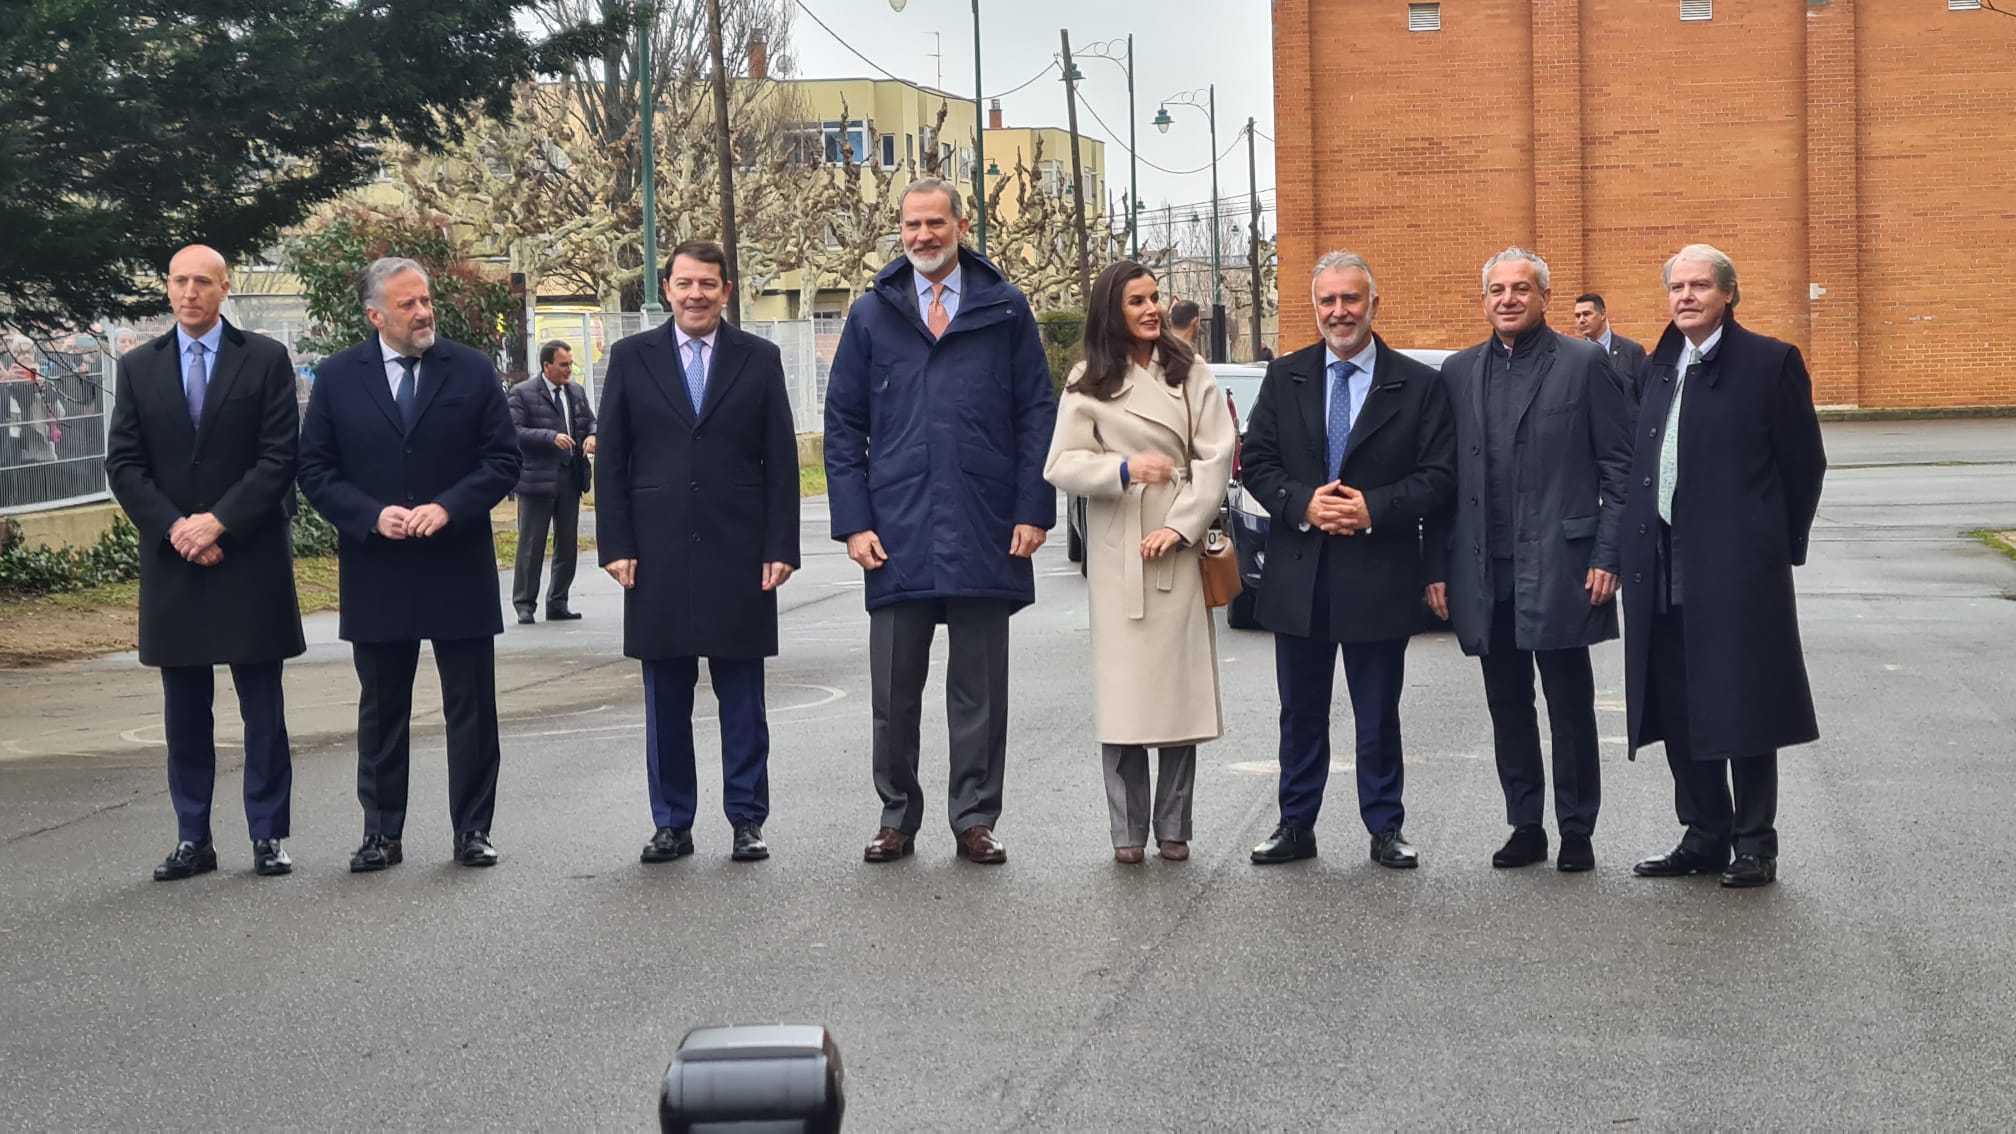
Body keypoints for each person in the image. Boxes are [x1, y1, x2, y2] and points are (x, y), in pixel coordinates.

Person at [824, 177, 1057, 866]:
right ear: (900, 231)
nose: (923, 236)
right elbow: (843, 426)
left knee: (979, 691)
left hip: (985, 522)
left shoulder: (1005, 309)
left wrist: (1032, 509)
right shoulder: (871, 315)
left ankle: (974, 819)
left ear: (962, 225)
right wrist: (854, 523)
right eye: (911, 225)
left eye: (935, 223)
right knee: (894, 694)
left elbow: (1036, 414)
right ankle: (896, 816)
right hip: (896, 528)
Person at [297, 257, 520, 872]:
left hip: (458, 565)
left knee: (471, 708)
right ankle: (381, 833)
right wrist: (371, 516)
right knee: (382, 709)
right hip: (379, 568)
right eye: (407, 304)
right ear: (375, 315)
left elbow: (502, 462)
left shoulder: (472, 371)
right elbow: (314, 469)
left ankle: (473, 830)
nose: (423, 312)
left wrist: (450, 508)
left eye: (425, 300)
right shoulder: (340, 378)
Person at [1238, 251, 1456, 868]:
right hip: (1299, 571)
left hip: (1378, 571)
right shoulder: (1286, 376)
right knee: (1300, 711)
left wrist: (1373, 509)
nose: (1340, 312)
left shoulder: (1418, 384)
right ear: (1315, 308)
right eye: (1327, 301)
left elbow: (1439, 476)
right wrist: (1304, 502)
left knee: (1377, 712)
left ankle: (1385, 826)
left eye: (1351, 300)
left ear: (1373, 305)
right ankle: (1295, 823)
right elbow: (1256, 461)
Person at [1424, 249, 1635, 873]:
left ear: (1545, 296)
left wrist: (1609, 553)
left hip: (1564, 564)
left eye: (1521, 288)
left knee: (1570, 705)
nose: (1508, 299)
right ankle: (1525, 824)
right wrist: (1437, 567)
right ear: (1483, 300)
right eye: (1496, 289)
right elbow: (1440, 481)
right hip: (1486, 570)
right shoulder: (1458, 373)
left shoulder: (1583, 365)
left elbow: (1620, 471)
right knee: (1506, 703)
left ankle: (1576, 829)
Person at [1622, 244, 1826, 890]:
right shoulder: (1658, 367)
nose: (1685, 296)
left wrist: (1774, 545)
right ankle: (1704, 832)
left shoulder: (1770, 364)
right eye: (1676, 286)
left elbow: (1805, 465)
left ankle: (1754, 843)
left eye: (1700, 286)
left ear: (1728, 295)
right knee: (1678, 703)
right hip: (1661, 563)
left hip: (1739, 570)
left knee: (1743, 703)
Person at [103, 244, 305, 881]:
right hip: (175, 561)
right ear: (167, 288)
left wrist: (219, 522)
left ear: (224, 290)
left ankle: (268, 835)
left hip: (248, 553)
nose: (189, 293)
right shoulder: (137, 367)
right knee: (184, 708)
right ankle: (194, 837)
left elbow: (278, 457)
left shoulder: (266, 359)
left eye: (202, 283)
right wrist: (176, 529)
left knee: (262, 707)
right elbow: (125, 464)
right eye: (179, 281)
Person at [596, 241, 801, 864]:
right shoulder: (632, 357)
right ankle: (672, 822)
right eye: (684, 283)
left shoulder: (759, 359)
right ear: (667, 287)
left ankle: (746, 818)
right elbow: (612, 459)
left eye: (707, 284)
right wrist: (616, 543)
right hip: (655, 553)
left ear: (726, 290)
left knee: (742, 697)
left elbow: (782, 461)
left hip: (739, 550)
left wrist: (780, 545)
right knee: (665, 699)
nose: (695, 295)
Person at [1043, 262, 1236, 864]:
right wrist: (1123, 470)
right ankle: (1127, 833)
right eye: (1137, 301)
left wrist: (1180, 525)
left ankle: (1174, 827)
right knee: (1125, 697)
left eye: (1155, 298)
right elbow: (1061, 464)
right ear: (1112, 310)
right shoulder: (1089, 379)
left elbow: (1216, 457)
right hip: (1119, 545)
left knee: (1179, 692)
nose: (1152, 309)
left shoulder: (1190, 372)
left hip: (1177, 540)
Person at [508, 340, 597, 623]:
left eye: (570, 364)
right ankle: (524, 603)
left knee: (567, 544)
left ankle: (558, 601)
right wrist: (550, 437)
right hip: (537, 479)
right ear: (547, 366)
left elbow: (589, 422)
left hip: (570, 477)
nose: (569, 369)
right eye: (563, 365)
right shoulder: (522, 394)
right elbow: (514, 430)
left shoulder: (576, 392)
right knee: (532, 544)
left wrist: (593, 435)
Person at [1573, 294, 1646, 396]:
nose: (1581, 320)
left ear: (1603, 314)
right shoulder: (1574, 356)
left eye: (1587, 314)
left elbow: (1645, 396)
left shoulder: (1632, 351)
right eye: (1577, 316)